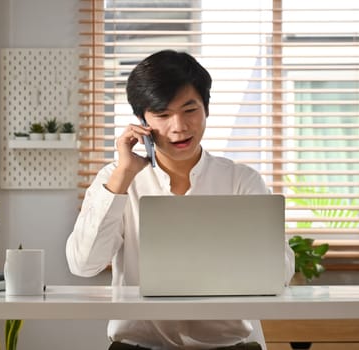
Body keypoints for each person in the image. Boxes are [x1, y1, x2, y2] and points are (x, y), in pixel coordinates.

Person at [66, 49, 295, 350]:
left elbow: (280, 271)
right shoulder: (116, 178)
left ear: (206, 109)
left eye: (190, 110)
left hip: (226, 346)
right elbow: (84, 264)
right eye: (162, 115)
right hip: (138, 346)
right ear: (141, 121)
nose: (179, 127)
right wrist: (123, 177)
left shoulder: (241, 180)